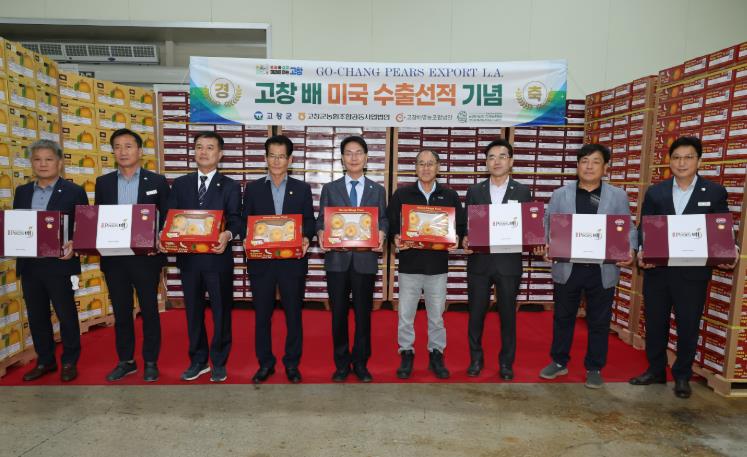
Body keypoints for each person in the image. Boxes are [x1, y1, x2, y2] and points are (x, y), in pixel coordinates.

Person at [630, 136, 737, 399]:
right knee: (655, 322)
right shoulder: (656, 192)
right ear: (669, 161)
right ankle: (656, 370)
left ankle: (682, 376)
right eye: (676, 157)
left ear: (699, 161)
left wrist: (728, 250)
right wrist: (642, 250)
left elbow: (721, 228)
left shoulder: (714, 192)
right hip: (658, 270)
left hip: (692, 273)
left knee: (688, 325)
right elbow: (645, 228)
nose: (682, 163)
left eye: (688, 157)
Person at [536, 143, 635, 389]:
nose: (589, 167)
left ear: (605, 167)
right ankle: (559, 361)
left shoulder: (617, 196)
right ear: (577, 165)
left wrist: (630, 249)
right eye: (584, 161)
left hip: (602, 269)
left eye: (595, 161)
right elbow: (548, 225)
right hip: (568, 267)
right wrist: (545, 246)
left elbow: (628, 227)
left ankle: (594, 367)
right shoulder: (560, 194)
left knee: (599, 321)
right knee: (563, 317)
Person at [164, 131, 242, 383]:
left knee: (221, 312)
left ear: (220, 154)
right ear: (194, 152)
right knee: (193, 312)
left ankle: (219, 361)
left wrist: (227, 235)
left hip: (218, 259)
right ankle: (198, 360)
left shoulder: (230, 186)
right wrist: (165, 236)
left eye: (210, 147)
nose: (204, 152)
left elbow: (237, 220)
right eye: (199, 147)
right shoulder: (181, 184)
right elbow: (171, 218)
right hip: (189, 260)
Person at [96, 128, 170, 383]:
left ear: (140, 151)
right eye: (117, 147)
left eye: (128, 146)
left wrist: (161, 236)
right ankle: (126, 361)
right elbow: (98, 218)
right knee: (121, 312)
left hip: (146, 258)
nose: (123, 151)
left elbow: (167, 217)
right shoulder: (103, 182)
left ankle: (150, 361)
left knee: (149, 310)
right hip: (114, 259)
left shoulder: (157, 181)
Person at [387, 149, 465, 379]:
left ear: (438, 167)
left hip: (437, 267)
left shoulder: (450, 195)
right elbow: (391, 224)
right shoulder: (402, 195)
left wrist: (457, 238)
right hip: (409, 265)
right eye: (421, 163)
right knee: (405, 315)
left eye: (430, 163)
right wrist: (395, 238)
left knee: (437, 316)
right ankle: (406, 352)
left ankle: (436, 354)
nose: (426, 168)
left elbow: (460, 227)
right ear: (415, 167)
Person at [243, 135, 315, 384]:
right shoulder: (253, 189)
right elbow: (245, 221)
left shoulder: (302, 188)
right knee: (262, 316)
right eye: (272, 156)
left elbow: (310, 221)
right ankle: (265, 363)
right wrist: (246, 236)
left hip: (291, 262)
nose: (276, 161)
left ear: (290, 160)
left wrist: (305, 237)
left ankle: (292, 364)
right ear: (265, 158)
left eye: (281, 156)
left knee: (293, 315)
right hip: (261, 262)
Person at [14, 140, 88, 382]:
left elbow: (84, 227)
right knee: (37, 316)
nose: (43, 164)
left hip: (60, 264)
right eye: (37, 159)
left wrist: (74, 244)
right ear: (31, 163)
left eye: (48, 159)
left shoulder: (74, 191)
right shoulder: (22, 192)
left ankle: (69, 361)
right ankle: (45, 361)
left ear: (60, 162)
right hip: (30, 265)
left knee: (66, 315)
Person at [316, 136, 387, 383]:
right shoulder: (330, 188)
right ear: (342, 158)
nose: (354, 157)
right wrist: (320, 233)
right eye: (349, 153)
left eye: (358, 153)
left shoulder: (377, 190)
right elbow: (321, 220)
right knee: (338, 314)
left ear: (366, 158)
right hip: (337, 261)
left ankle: (361, 363)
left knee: (363, 315)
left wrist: (383, 232)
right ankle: (341, 364)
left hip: (365, 261)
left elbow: (383, 219)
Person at [462, 139, 531, 380]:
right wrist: (465, 239)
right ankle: (476, 359)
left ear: (511, 161)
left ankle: (506, 363)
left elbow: (528, 228)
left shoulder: (522, 191)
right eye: (491, 157)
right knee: (476, 314)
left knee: (508, 316)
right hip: (479, 263)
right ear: (486, 162)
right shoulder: (475, 191)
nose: (497, 161)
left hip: (509, 264)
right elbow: (466, 226)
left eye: (502, 156)